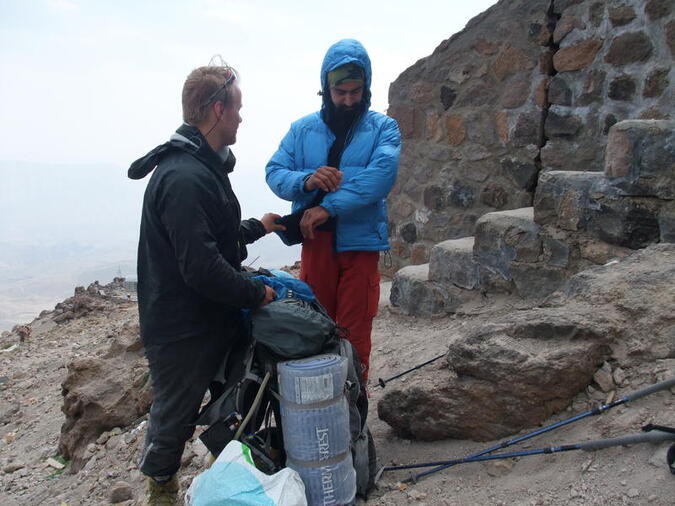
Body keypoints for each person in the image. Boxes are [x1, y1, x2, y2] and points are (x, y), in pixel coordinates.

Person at [128, 60, 284, 505]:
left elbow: (215, 238)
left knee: (236, 395)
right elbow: (200, 266)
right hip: (180, 326)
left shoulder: (203, 168)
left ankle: (230, 477)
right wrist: (255, 292)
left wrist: (260, 226)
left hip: (208, 315)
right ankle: (162, 490)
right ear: (217, 109)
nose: (241, 116)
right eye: (237, 107)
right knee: (175, 413)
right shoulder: (184, 177)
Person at [266, 39, 400, 383]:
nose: (349, 100)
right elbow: (275, 173)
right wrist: (307, 179)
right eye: (341, 92)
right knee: (315, 328)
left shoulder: (385, 128)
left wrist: (327, 207)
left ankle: (354, 412)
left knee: (355, 333)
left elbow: (381, 178)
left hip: (360, 247)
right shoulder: (302, 130)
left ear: (366, 86)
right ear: (326, 88)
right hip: (317, 246)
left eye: (356, 91)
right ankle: (319, 408)